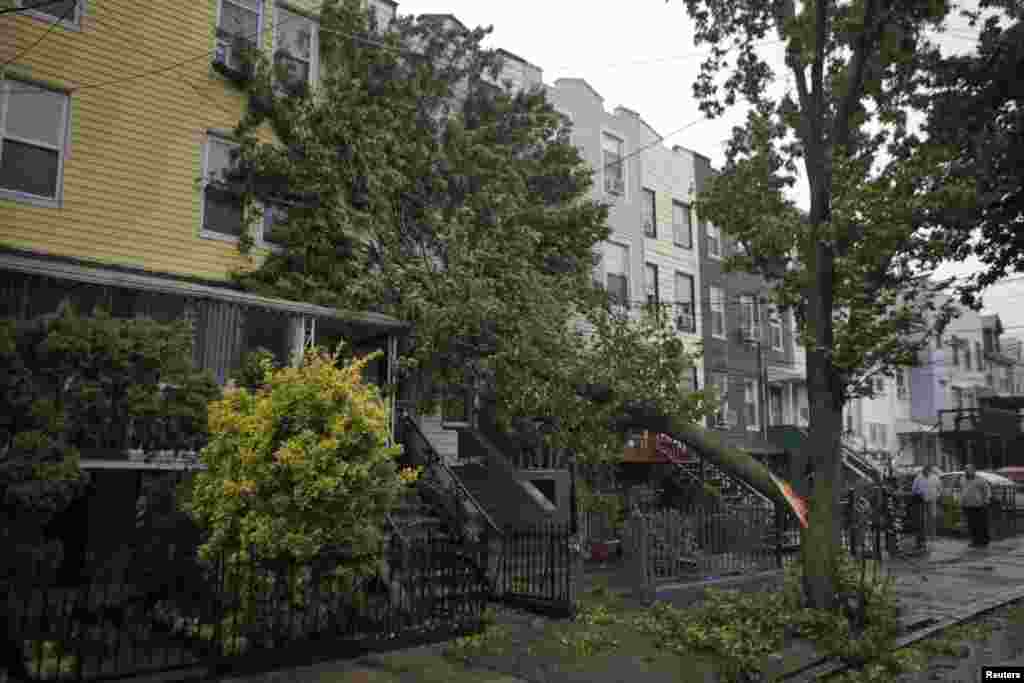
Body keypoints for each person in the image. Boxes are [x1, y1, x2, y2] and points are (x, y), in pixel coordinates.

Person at [961, 464, 992, 547]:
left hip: (979, 505)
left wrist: (986, 501)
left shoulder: (980, 480)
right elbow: (963, 491)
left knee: (981, 524)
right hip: (967, 505)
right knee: (971, 525)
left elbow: (987, 490)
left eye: (969, 470)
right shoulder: (963, 479)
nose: (967, 471)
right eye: (966, 470)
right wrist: (962, 502)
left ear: (974, 471)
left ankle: (984, 541)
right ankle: (975, 541)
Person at [912, 465, 941, 550]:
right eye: (925, 470)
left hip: (932, 500)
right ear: (923, 471)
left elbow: (939, 488)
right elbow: (914, 489)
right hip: (922, 501)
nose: (927, 472)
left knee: (932, 517)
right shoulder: (918, 478)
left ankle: (933, 536)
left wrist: (937, 496)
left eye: (928, 470)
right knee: (923, 519)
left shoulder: (935, 478)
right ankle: (925, 536)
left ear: (930, 471)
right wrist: (919, 493)